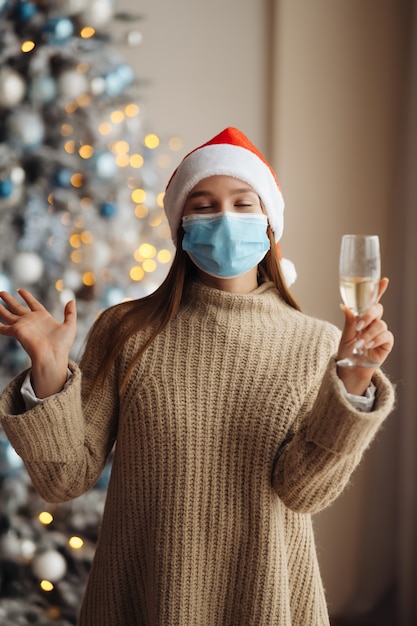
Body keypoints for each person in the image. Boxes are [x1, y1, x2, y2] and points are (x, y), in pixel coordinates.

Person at [0, 127, 395, 626]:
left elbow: (303, 492)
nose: (224, 218)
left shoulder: (316, 343)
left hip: (267, 600)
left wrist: (353, 381)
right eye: (204, 205)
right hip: (141, 598)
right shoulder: (126, 330)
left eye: (242, 204)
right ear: (181, 226)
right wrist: (50, 368)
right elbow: (64, 479)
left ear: (270, 222)